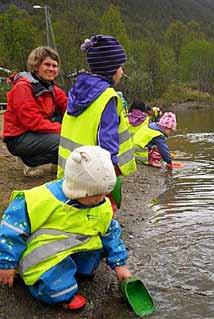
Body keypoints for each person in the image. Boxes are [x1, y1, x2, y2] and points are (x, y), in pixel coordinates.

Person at [0, 145, 132, 310]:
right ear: (78, 191)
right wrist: (6, 263)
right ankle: (58, 292)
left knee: (98, 245)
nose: (102, 200)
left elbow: (109, 232)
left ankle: (79, 270)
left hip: (70, 244)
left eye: (105, 193)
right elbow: (10, 230)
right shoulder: (40, 200)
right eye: (95, 195)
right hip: (43, 255)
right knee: (56, 288)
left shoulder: (100, 202)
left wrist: (120, 264)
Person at [57, 34, 136, 211]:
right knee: (104, 207)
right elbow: (106, 139)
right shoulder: (107, 97)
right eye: (120, 66)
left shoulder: (78, 91)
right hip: (94, 169)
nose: (122, 71)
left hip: (72, 166)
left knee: (75, 207)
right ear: (112, 70)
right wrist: (110, 172)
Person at [3, 46, 67, 177]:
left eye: (55, 66)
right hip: (19, 137)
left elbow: (68, 107)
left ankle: (57, 162)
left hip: (36, 133)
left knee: (68, 119)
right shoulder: (23, 87)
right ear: (36, 65)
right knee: (65, 139)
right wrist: (64, 130)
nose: (51, 69)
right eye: (47, 64)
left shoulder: (51, 88)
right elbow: (33, 122)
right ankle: (29, 161)